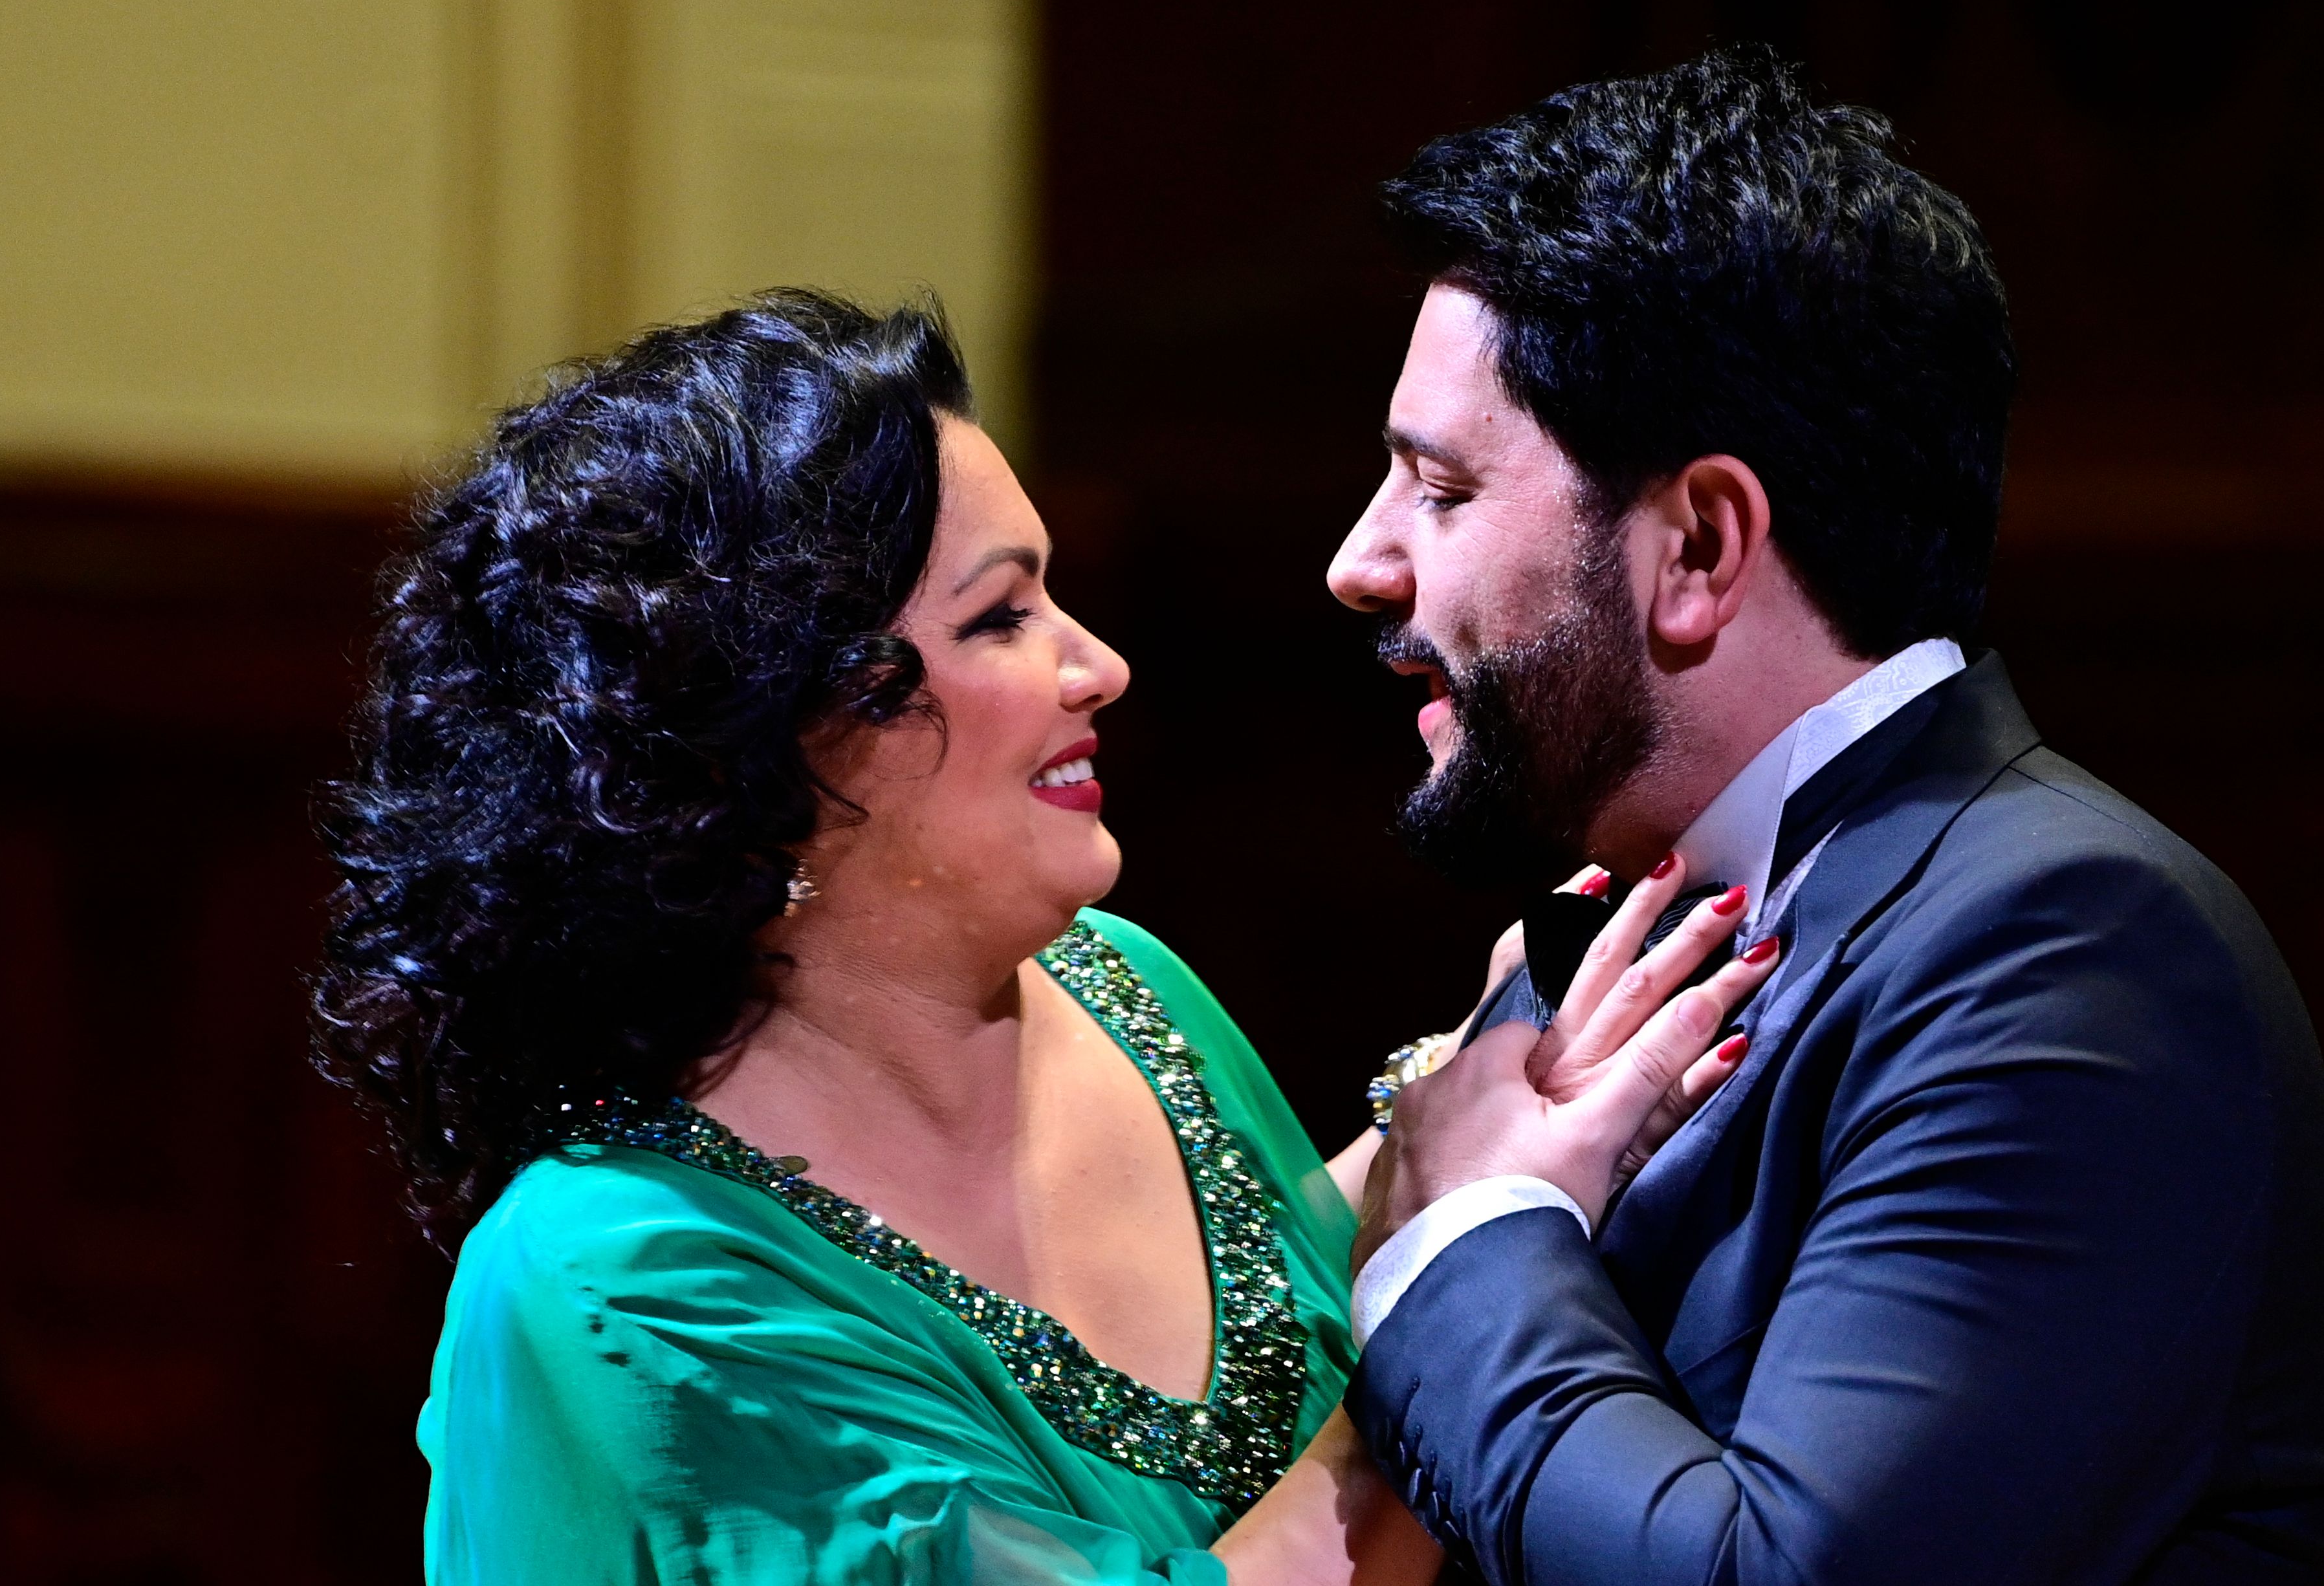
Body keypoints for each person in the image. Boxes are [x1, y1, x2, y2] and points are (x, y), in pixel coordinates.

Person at [311, 292, 1768, 1583]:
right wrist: (1471, 1262)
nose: (1102, 665)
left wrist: (1507, 1077)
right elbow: (1389, 1350)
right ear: (768, 741)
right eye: (1003, 617)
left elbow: (1304, 1310)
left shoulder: (1124, 988)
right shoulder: (621, 1286)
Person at [1327, 48, 2324, 1583]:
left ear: (1700, 546)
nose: (1360, 562)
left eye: (1442, 490)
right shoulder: (1618, 930)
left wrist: (1470, 1230)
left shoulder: (2072, 951)